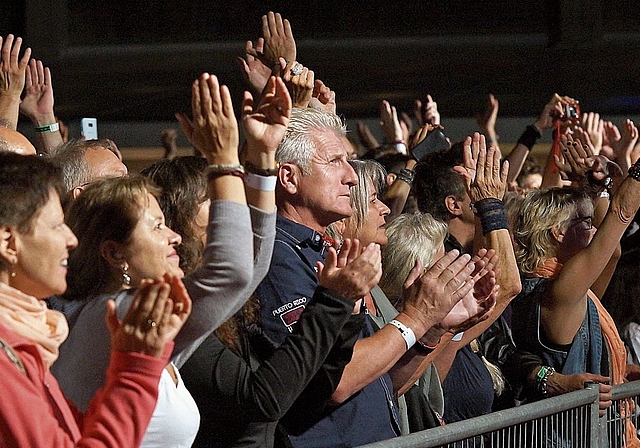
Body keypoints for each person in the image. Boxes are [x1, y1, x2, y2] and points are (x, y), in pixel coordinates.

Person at [52, 73, 276, 447]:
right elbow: (232, 274)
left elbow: (249, 270)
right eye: (156, 226)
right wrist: (223, 162)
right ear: (113, 252)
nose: (173, 234)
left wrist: (264, 159)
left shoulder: (131, 316)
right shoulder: (120, 315)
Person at [256, 107, 496, 447]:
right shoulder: (278, 257)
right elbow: (335, 382)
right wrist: (415, 317)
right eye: (334, 162)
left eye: (348, 161)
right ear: (289, 178)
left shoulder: (324, 251)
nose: (351, 177)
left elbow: (384, 383)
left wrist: (435, 328)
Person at [0, 152, 191, 447]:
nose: (71, 239)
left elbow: (76, 435)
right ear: (8, 242)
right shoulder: (4, 358)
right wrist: (135, 369)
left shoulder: (26, 342)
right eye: (55, 226)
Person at [511, 136, 640, 443]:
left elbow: (614, 252)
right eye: (584, 222)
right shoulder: (559, 291)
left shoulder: (561, 286)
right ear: (558, 232)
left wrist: (593, 189)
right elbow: (621, 215)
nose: (593, 228)